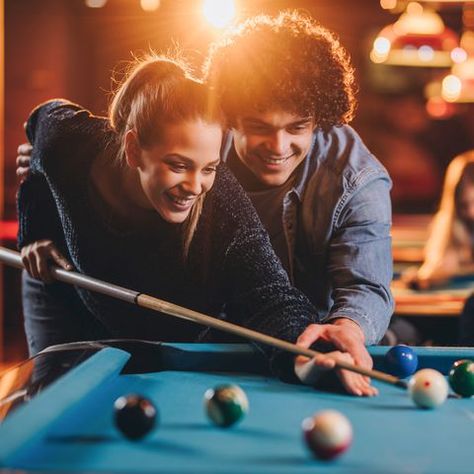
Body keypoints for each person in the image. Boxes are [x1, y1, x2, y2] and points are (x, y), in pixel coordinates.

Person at [17, 54, 375, 396]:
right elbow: (40, 124)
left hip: (161, 332)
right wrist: (35, 236)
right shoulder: (69, 141)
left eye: (208, 168)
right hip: (66, 295)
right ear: (132, 149)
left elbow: (270, 297)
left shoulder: (221, 205)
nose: (194, 186)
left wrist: (306, 352)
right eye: (177, 165)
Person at [203, 12, 393, 372]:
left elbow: (366, 288)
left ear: (319, 118)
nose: (279, 146)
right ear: (230, 118)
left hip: (311, 344)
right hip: (213, 340)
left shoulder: (357, 179)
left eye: (297, 127)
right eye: (260, 127)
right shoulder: (204, 152)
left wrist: (345, 330)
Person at [403, 151, 474, 289]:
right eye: (465, 205)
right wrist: (424, 278)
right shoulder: (453, 226)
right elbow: (438, 267)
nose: (472, 213)